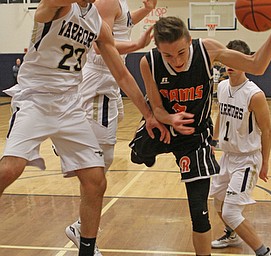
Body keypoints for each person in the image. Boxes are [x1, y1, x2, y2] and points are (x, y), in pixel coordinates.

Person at [0, 1, 168, 256]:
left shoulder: (96, 23)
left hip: (69, 104)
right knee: (11, 168)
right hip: (35, 99)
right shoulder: (54, 7)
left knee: (95, 181)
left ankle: (86, 249)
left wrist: (148, 115)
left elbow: (121, 73)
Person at [129, 9, 271, 256]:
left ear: (189, 41)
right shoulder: (148, 62)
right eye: (168, 55)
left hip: (195, 137)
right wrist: (170, 118)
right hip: (163, 126)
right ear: (158, 49)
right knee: (137, 155)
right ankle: (146, 154)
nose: (177, 61)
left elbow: (257, 65)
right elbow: (156, 108)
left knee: (199, 212)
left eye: (181, 52)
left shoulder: (207, 50)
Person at [64, 0, 158, 253]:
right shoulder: (106, 1)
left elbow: (121, 24)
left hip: (109, 79)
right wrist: (138, 45)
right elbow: (99, 45)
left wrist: (146, 11)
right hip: (99, 79)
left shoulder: (119, 2)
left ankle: (82, 225)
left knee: (102, 162)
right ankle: (83, 229)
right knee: (97, 169)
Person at [209, 40, 271, 256]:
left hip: (247, 160)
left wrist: (265, 162)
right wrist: (212, 141)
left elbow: (268, 130)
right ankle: (231, 234)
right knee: (218, 203)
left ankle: (264, 252)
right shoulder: (222, 86)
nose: (230, 63)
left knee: (231, 212)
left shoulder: (255, 94)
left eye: (236, 59)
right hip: (227, 156)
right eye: (227, 57)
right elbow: (221, 115)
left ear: (245, 62)